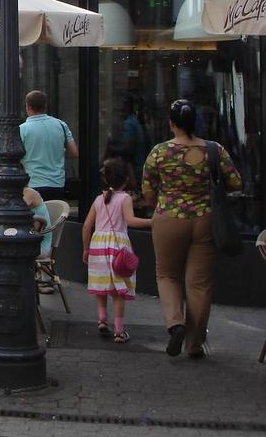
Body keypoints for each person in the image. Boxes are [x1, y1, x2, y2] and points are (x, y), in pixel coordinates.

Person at [143, 99, 241, 358]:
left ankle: (176, 323)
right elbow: (234, 182)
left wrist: (162, 204)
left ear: (171, 124)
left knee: (167, 275)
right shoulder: (214, 150)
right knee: (199, 283)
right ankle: (194, 343)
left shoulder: (159, 152)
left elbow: (148, 190)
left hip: (169, 218)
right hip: (205, 219)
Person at [82, 157, 152, 344]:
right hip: (117, 247)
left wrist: (86, 249)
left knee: (101, 286)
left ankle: (102, 320)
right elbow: (130, 221)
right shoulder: (125, 198)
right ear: (126, 180)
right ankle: (119, 331)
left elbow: (87, 226)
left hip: (97, 245)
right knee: (118, 291)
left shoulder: (98, 200)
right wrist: (153, 221)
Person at [19, 90, 79, 200]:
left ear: (28, 107)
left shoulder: (22, 130)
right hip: (57, 184)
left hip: (34, 183)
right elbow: (74, 153)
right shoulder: (61, 125)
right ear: (45, 106)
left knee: (37, 216)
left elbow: (15, 157)